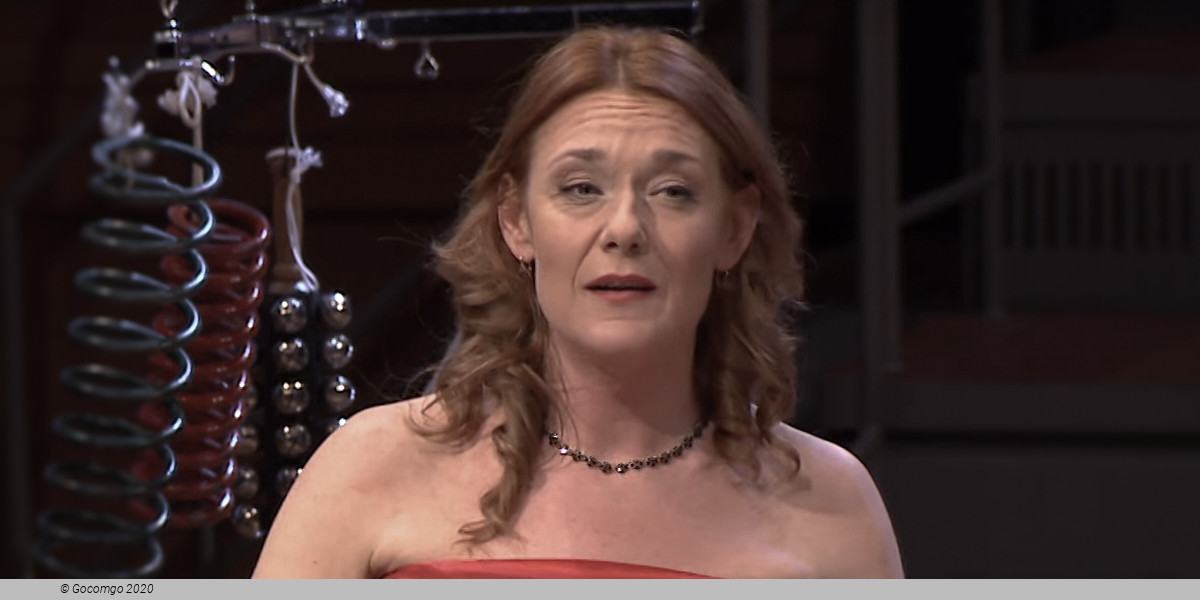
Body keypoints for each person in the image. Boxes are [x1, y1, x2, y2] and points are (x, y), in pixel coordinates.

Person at [251, 26, 904, 579]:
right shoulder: (370, 466)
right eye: (581, 188)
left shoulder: (832, 503)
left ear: (734, 228)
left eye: (673, 191)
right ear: (516, 219)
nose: (624, 229)